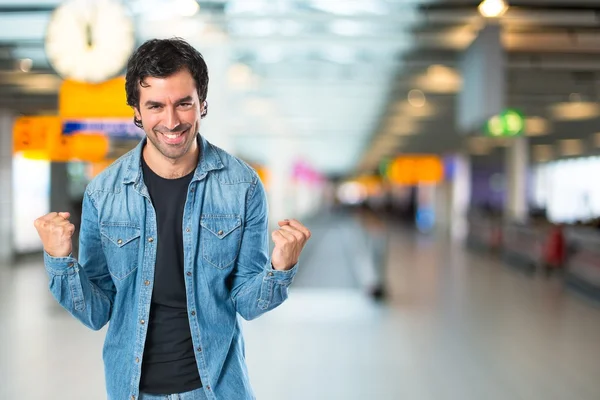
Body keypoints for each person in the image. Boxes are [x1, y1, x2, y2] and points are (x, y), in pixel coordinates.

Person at [34, 38, 311, 400]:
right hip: (132, 389)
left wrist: (280, 268)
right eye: (155, 106)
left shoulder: (242, 185)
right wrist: (59, 262)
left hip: (216, 388)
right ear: (136, 110)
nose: (171, 121)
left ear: (203, 104)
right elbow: (97, 311)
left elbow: (246, 302)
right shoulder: (104, 193)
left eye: (184, 104)